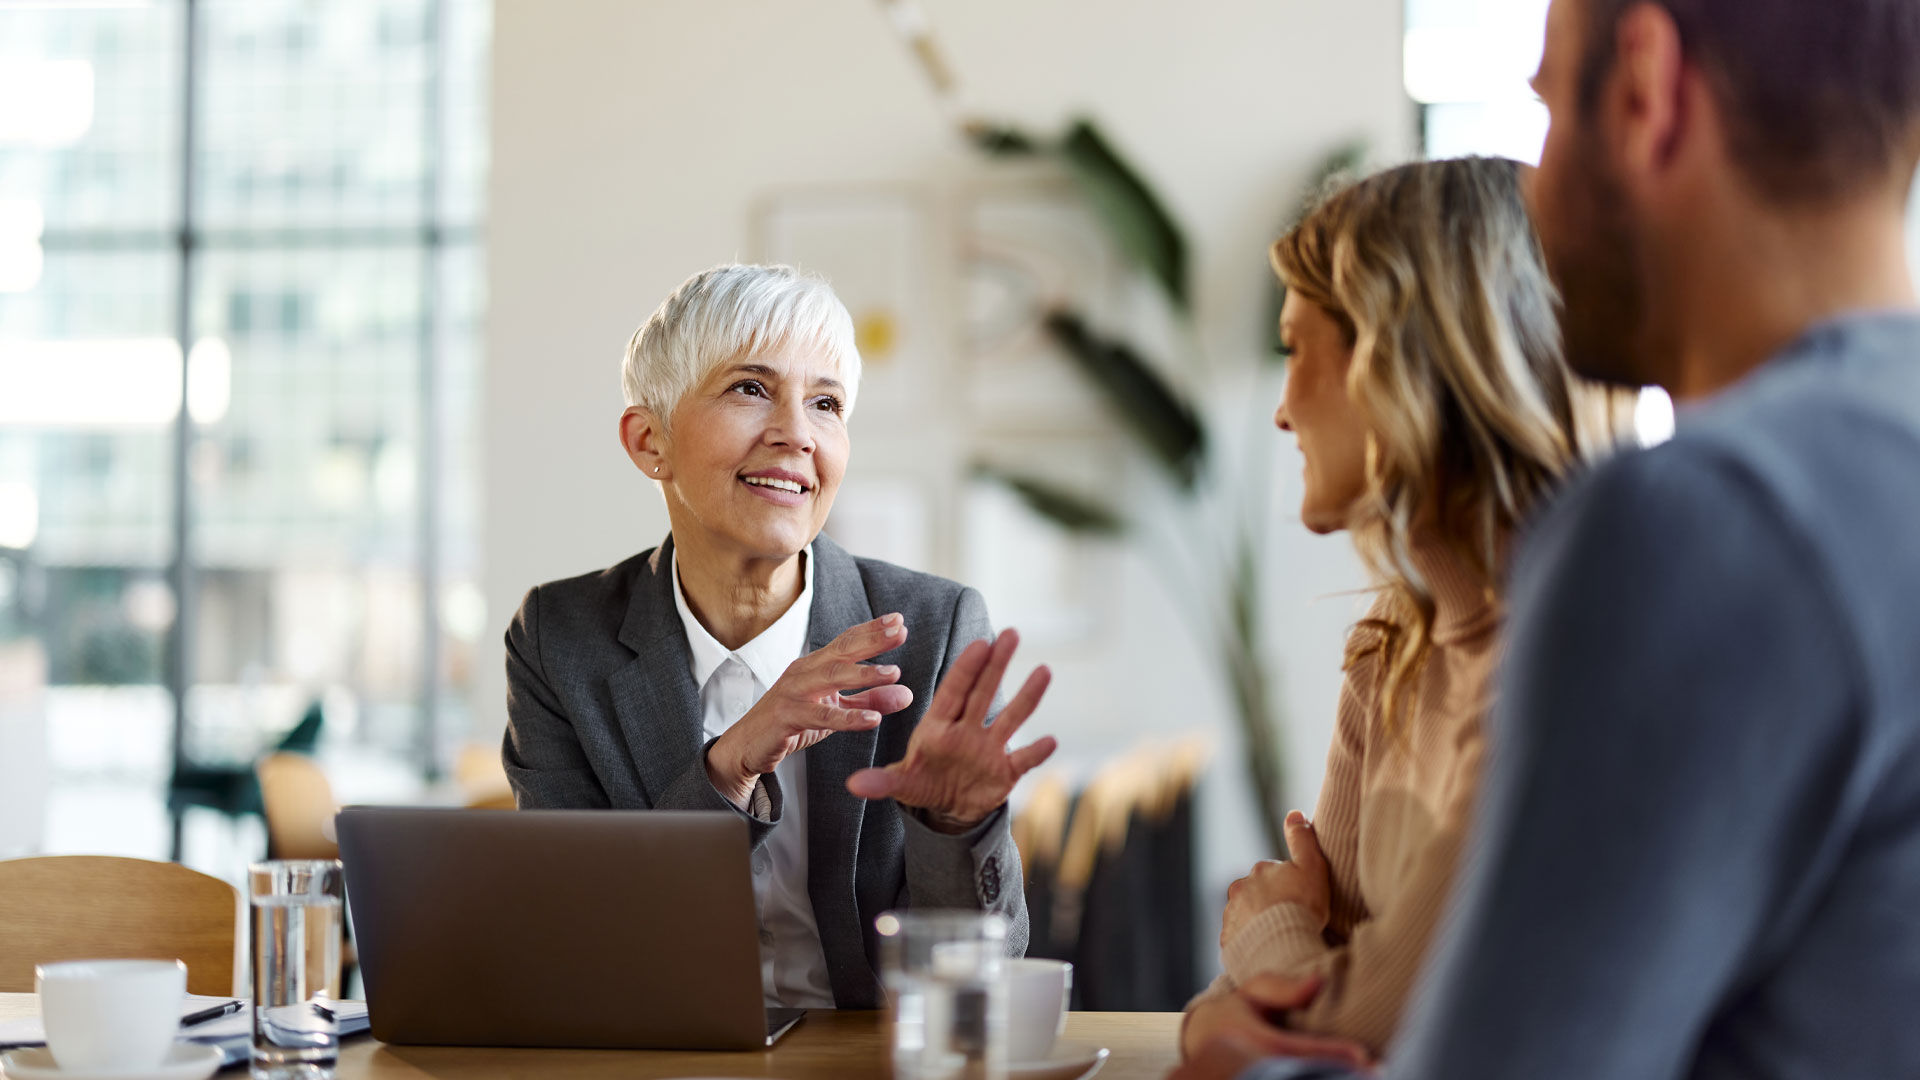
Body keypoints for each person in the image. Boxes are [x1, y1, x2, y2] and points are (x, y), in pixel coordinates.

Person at [1176, 0, 1920, 1077]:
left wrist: (1229, 1045)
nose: (1527, 191)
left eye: (1542, 108)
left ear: (1642, 88)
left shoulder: (1699, 525)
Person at [501, 264, 1058, 1010]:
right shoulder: (560, 638)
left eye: (825, 403)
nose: (797, 434)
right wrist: (727, 768)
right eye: (750, 389)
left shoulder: (932, 629)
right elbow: (577, 937)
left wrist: (956, 826)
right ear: (649, 441)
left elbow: (972, 981)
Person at [1182, 157, 1608, 1068]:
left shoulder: (1564, 660)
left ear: (1400, 358)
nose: (1283, 411)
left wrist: (1262, 948)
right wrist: (1237, 1000)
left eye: (1299, 351)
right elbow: (1307, 984)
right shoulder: (1393, 643)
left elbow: (1360, 1016)